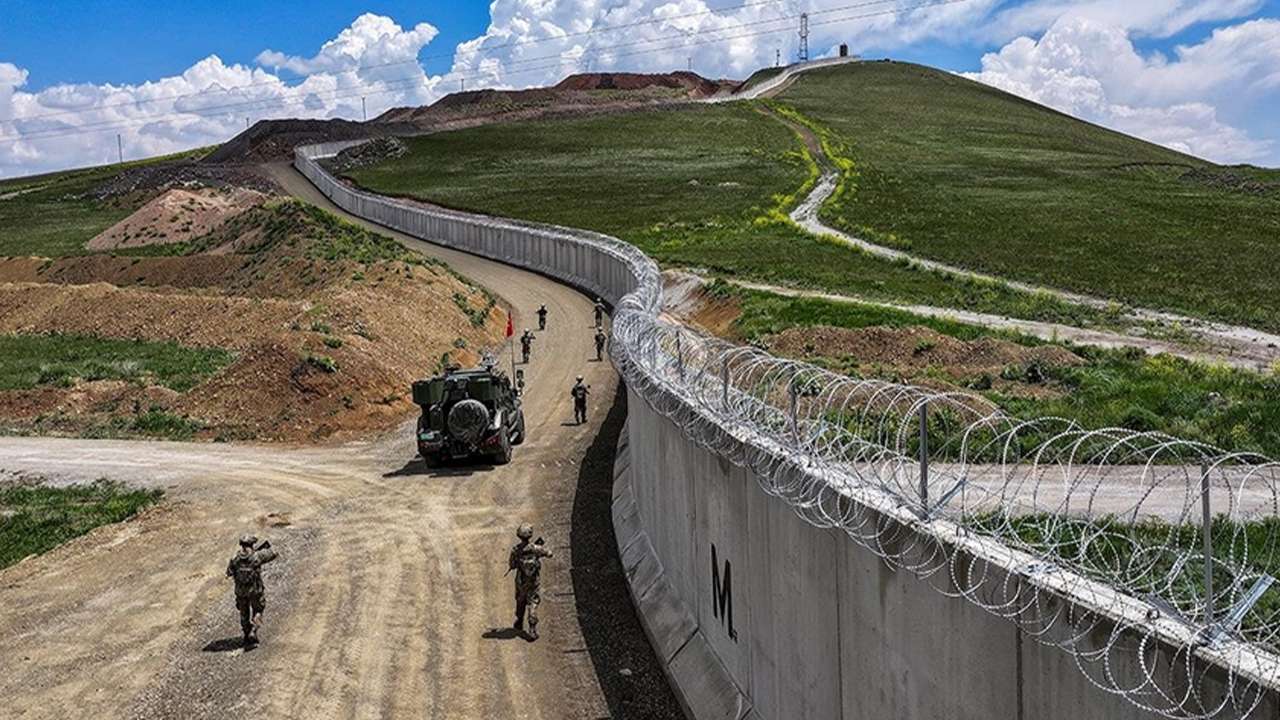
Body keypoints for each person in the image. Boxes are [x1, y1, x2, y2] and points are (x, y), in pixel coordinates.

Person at [225, 534, 279, 647]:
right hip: (255, 591)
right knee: (258, 609)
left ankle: (246, 635)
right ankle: (254, 630)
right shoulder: (256, 556)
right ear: (251, 544)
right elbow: (274, 553)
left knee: (244, 613)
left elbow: (229, 573)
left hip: (240, 592)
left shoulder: (235, 558)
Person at [509, 524, 553, 641]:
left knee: (520, 600)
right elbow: (550, 554)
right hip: (533, 581)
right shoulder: (536, 548)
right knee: (533, 603)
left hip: (521, 581)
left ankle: (519, 621)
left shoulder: (515, 550)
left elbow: (512, 565)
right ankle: (532, 629)